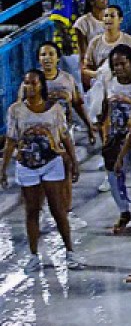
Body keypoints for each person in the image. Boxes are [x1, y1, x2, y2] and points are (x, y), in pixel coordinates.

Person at [3, 65, 82, 270]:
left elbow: (64, 136)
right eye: (26, 82)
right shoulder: (15, 110)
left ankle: (70, 251)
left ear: (41, 86)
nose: (29, 86)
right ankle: (34, 255)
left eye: (33, 82)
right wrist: (3, 169)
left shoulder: (55, 109)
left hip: (52, 163)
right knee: (32, 210)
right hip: (27, 165)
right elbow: (11, 141)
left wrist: (74, 162)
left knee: (58, 209)